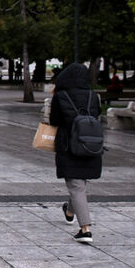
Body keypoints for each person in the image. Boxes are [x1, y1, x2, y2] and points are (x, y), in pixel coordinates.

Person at [49, 62, 103, 244]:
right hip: (90, 143)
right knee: (79, 183)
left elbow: (54, 120)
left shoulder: (61, 96)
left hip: (68, 145)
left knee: (76, 185)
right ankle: (70, 211)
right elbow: (97, 115)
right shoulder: (93, 96)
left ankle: (85, 229)